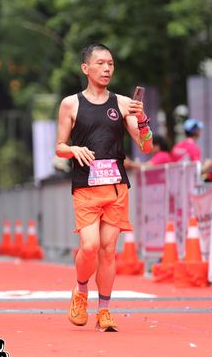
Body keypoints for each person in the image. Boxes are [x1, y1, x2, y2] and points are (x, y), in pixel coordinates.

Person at [56, 43, 154, 332]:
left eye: (110, 63)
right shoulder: (70, 104)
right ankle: (80, 291)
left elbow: (146, 146)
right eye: (100, 63)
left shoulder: (123, 103)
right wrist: (73, 150)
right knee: (90, 246)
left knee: (108, 250)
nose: (107, 68)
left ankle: (104, 311)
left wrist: (142, 119)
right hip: (85, 186)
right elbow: (59, 146)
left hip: (115, 187)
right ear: (85, 68)